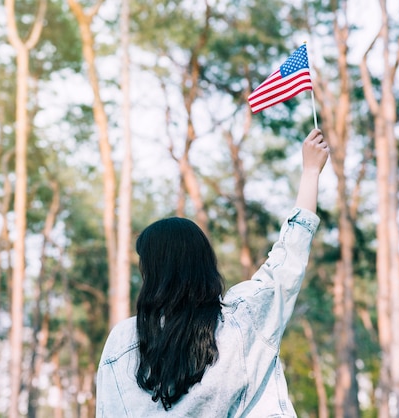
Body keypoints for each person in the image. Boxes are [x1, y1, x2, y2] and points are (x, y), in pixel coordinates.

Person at [95, 129, 330, 417]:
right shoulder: (244, 320)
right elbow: (289, 256)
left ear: (152, 274)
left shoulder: (123, 341)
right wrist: (310, 171)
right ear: (203, 264)